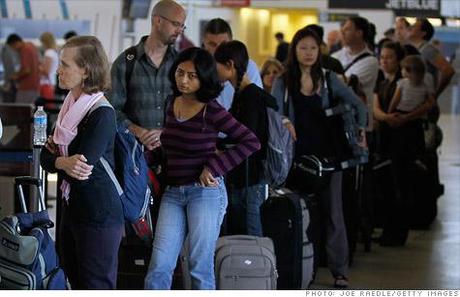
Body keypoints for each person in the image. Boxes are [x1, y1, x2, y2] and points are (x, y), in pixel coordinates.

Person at [144, 47, 260, 290]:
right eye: (180, 73)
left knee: (199, 266)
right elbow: (169, 147)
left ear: (204, 78)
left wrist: (215, 167)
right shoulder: (171, 102)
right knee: (159, 266)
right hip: (173, 193)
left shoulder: (212, 109)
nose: (183, 80)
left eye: (192, 76)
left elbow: (251, 141)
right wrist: (142, 159)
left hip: (205, 193)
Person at [271, 28, 367, 289]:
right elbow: (275, 111)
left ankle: (340, 271)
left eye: (313, 48)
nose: (309, 53)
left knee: (334, 213)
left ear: (320, 50)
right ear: (295, 50)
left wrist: (361, 130)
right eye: (303, 47)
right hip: (296, 159)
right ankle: (303, 267)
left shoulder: (329, 78)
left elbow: (358, 105)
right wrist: (285, 121)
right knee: (301, 213)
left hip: (328, 159)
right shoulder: (284, 80)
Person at [40, 36, 123, 289]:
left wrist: (59, 162)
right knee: (73, 282)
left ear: (86, 71)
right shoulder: (68, 109)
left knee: (95, 285)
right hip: (72, 209)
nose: (58, 70)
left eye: (65, 65)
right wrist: (63, 162)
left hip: (98, 214)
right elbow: (45, 157)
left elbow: (80, 170)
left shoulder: (101, 113)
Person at [214, 40, 278, 236]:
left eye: (217, 64)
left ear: (230, 65)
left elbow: (247, 136)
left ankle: (257, 265)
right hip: (246, 171)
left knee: (251, 227)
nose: (214, 70)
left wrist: (219, 146)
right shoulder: (243, 93)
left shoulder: (250, 96)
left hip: (253, 174)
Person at [374, 42, 435, 246]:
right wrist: (386, 117)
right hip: (388, 135)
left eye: (389, 57)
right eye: (382, 57)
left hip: (405, 138)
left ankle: (399, 232)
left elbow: (426, 106)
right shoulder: (382, 81)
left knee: (402, 185)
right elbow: (377, 107)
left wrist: (402, 118)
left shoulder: (408, 83)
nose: (384, 61)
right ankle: (389, 230)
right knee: (388, 186)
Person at [108, 0, 186, 151]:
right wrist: (138, 131)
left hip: (173, 153)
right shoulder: (125, 62)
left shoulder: (181, 65)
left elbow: (191, 109)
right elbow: (111, 110)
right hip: (133, 152)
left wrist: (166, 133)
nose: (180, 30)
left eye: (182, 26)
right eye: (176, 24)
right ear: (158, 20)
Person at [202, 18, 262, 111]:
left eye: (223, 44)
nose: (218, 49)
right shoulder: (197, 67)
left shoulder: (248, 66)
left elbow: (257, 102)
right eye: (212, 44)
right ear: (204, 44)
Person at [333, 16, 379, 131]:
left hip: (359, 124)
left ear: (359, 33)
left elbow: (346, 82)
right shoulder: (336, 56)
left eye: (347, 29)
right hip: (339, 121)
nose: (342, 32)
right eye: (342, 28)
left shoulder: (371, 61)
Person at [408, 18, 455, 100]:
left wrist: (435, 94)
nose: (410, 27)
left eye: (414, 26)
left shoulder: (427, 49)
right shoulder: (417, 49)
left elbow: (448, 70)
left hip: (426, 103)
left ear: (423, 33)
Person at [6, 34, 40, 104]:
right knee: (31, 110)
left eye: (12, 47)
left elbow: (26, 70)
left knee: (21, 111)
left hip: (27, 87)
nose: (14, 49)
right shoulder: (32, 46)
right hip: (35, 85)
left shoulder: (24, 50)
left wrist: (15, 77)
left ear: (16, 43)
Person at [39, 32, 59, 99]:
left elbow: (46, 71)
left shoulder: (48, 53)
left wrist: (37, 67)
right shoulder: (54, 52)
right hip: (52, 82)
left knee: (46, 106)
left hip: (46, 83)